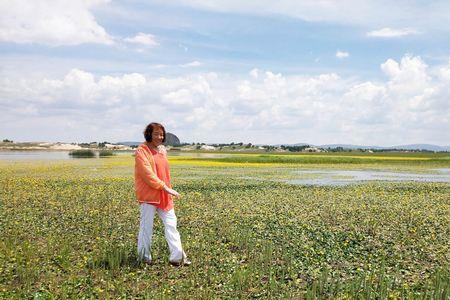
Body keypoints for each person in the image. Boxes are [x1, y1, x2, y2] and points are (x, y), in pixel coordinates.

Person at [135, 122, 190, 266]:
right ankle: (144, 257)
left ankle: (177, 257)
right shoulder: (142, 151)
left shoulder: (162, 150)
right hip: (149, 195)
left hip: (165, 194)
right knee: (146, 227)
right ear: (148, 134)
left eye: (161, 134)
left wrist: (167, 188)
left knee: (171, 224)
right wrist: (165, 187)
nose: (159, 137)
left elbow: (164, 172)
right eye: (156, 134)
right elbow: (147, 174)